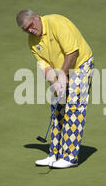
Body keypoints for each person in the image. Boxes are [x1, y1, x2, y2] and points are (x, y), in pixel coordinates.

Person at [16, 9, 94, 168]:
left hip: (81, 65)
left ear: (36, 17)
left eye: (31, 25)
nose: (30, 30)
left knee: (73, 107)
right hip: (60, 72)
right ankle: (54, 154)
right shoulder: (32, 41)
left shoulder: (56, 23)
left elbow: (72, 52)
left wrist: (63, 76)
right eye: (26, 30)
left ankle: (70, 157)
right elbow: (45, 67)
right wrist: (55, 82)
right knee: (57, 108)